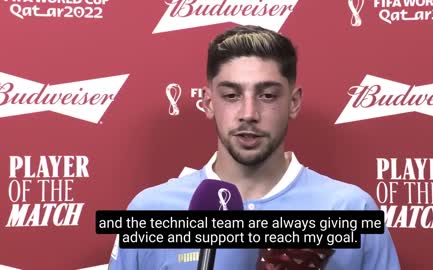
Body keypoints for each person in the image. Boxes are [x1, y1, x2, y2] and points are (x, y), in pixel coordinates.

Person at [108, 25, 401, 270]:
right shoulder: (150, 210)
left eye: (268, 95)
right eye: (232, 95)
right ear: (209, 103)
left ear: (294, 102)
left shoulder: (350, 209)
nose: (249, 112)